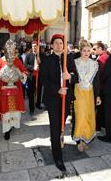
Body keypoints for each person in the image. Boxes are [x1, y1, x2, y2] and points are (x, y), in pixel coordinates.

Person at [41, 34, 78, 172]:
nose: (58, 45)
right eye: (56, 43)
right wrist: (58, 89)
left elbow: (77, 76)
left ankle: (56, 141)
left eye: (60, 43)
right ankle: (57, 156)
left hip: (66, 98)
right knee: (55, 127)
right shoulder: (47, 60)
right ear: (52, 45)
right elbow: (44, 81)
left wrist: (70, 76)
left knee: (61, 125)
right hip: (53, 99)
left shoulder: (69, 58)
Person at [0, 40, 28, 140]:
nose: (11, 51)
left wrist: (21, 74)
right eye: (8, 49)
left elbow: (24, 72)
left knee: (15, 110)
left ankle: (13, 125)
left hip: (16, 90)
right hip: (3, 91)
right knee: (5, 110)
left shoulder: (17, 61)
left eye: (12, 49)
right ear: (4, 50)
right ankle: (6, 130)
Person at [72, 40, 101, 151]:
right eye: (84, 50)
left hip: (89, 93)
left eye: (89, 51)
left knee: (88, 115)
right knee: (80, 115)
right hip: (78, 91)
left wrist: (98, 96)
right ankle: (78, 140)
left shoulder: (94, 64)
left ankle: (85, 138)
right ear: (80, 51)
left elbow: (97, 81)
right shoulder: (75, 62)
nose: (86, 53)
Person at [92, 41, 109, 132]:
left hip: (101, 87)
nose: (93, 50)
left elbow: (100, 74)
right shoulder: (102, 57)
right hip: (102, 86)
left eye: (94, 49)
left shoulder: (103, 58)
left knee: (99, 108)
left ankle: (98, 126)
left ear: (100, 49)